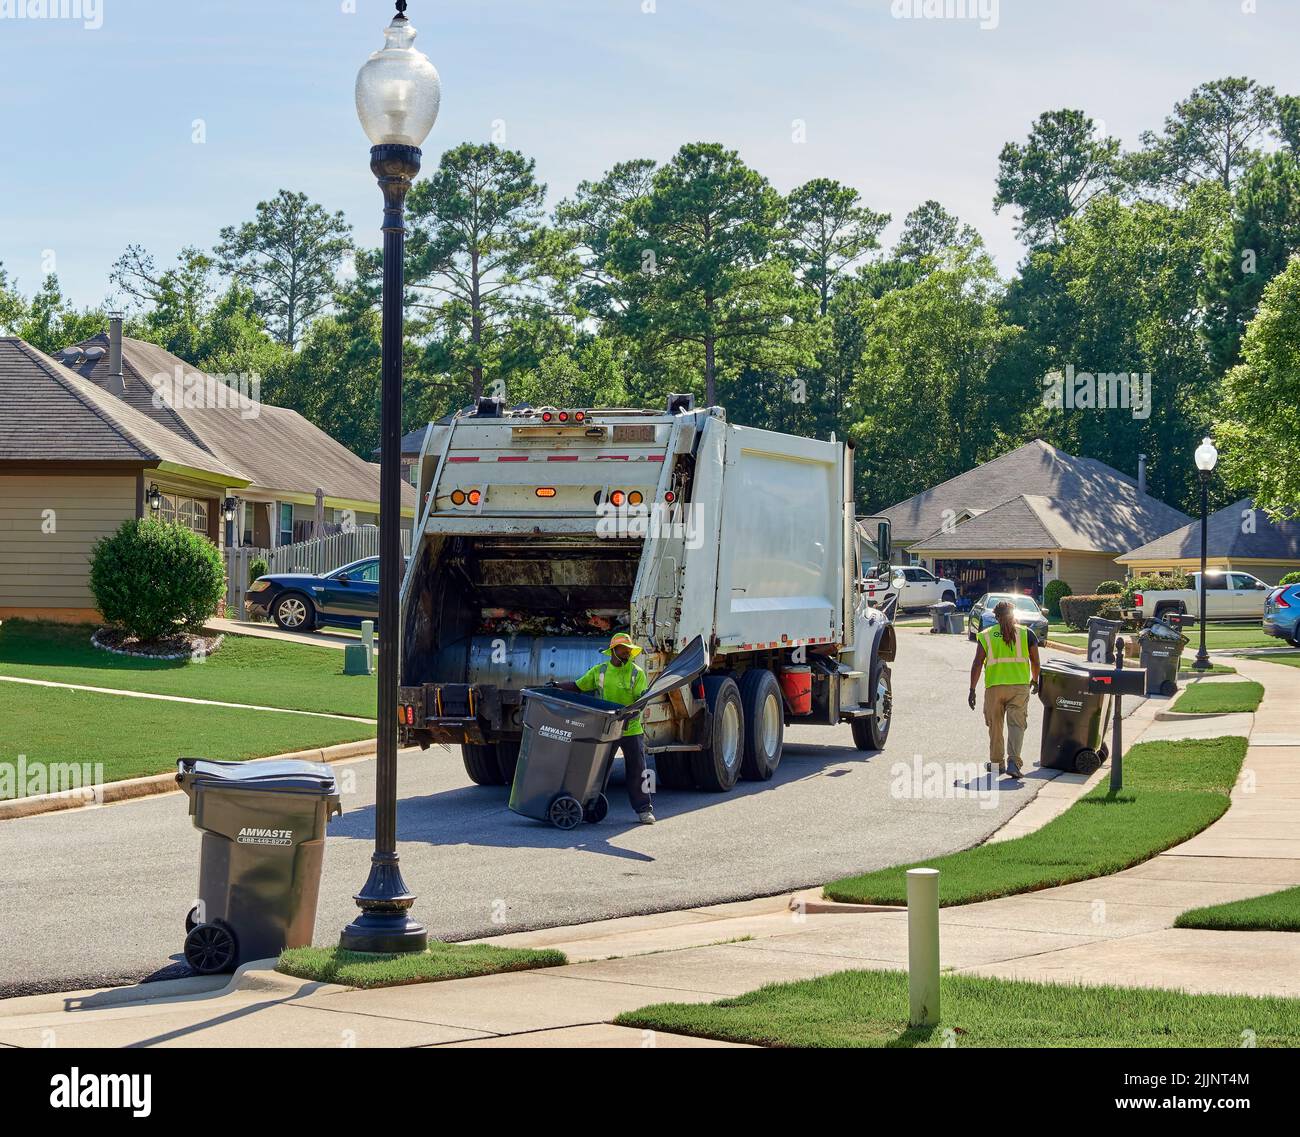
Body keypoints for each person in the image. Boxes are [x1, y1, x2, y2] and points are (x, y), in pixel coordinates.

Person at [553, 632, 655, 823]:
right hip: (607, 728)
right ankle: (590, 806)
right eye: (623, 650)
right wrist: (557, 686)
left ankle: (644, 810)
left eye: (629, 650)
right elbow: (578, 686)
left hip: (631, 728)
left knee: (638, 770)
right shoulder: (600, 671)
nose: (627, 653)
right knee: (599, 769)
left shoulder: (636, 673)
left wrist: (632, 713)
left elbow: (642, 700)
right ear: (613, 651)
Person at [969, 600, 1041, 779]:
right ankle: (1013, 763)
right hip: (1019, 688)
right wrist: (1035, 679)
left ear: (996, 617)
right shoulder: (1027, 634)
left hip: (994, 688)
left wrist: (972, 689)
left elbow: (977, 663)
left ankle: (996, 764)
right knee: (1017, 725)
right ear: (1014, 614)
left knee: (995, 726)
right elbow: (1035, 661)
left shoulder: (986, 635)